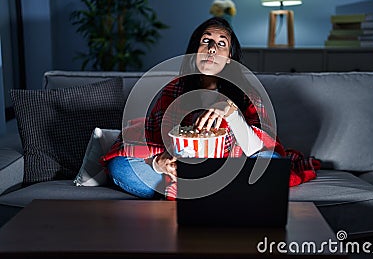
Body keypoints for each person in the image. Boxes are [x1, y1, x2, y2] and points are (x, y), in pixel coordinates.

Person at [102, 17, 319, 199]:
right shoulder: (174, 90)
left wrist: (232, 114)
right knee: (121, 167)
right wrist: (160, 164)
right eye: (206, 41)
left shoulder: (247, 94)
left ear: (229, 59)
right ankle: (207, 195)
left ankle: (201, 194)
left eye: (221, 44)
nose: (212, 48)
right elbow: (156, 139)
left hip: (231, 168)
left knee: (270, 164)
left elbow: (259, 150)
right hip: (180, 171)